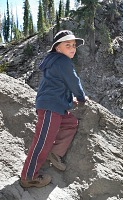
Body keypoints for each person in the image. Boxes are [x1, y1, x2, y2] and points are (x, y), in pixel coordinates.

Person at [20, 30, 87, 188]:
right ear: (58, 48)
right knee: (42, 142)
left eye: (74, 46)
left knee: (70, 123)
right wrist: (82, 98)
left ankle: (55, 153)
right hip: (50, 107)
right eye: (67, 45)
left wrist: (71, 102)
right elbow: (73, 81)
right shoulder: (62, 61)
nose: (72, 48)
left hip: (56, 106)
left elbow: (58, 86)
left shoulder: (55, 61)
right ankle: (28, 177)